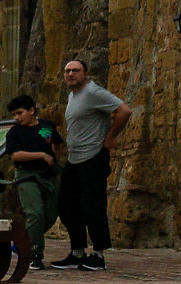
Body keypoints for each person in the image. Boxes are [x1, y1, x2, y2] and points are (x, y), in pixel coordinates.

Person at [53, 59, 131, 271]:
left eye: (75, 71)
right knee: (66, 206)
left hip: (93, 157)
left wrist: (111, 136)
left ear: (85, 74)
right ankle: (77, 252)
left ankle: (98, 255)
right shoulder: (73, 95)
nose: (71, 74)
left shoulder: (94, 92)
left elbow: (124, 110)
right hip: (74, 159)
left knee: (92, 206)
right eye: (67, 71)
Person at [3, 93, 61, 268]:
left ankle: (21, 242)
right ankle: (34, 254)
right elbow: (16, 155)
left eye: (20, 113)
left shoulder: (46, 127)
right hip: (26, 176)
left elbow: (56, 142)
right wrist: (41, 155)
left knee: (50, 215)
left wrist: (53, 157)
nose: (17, 117)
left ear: (31, 110)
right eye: (14, 114)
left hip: (48, 175)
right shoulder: (14, 132)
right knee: (35, 213)